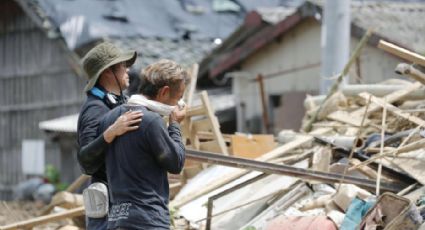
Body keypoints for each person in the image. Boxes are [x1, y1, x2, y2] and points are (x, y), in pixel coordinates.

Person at [99, 59, 189, 229]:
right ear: (164, 92)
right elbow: (176, 163)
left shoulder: (109, 119)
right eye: (178, 98)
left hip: (117, 218)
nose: (178, 104)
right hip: (148, 219)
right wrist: (175, 124)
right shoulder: (150, 121)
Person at [77, 42, 143, 229]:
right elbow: (86, 162)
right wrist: (111, 132)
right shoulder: (94, 109)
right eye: (123, 66)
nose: (127, 70)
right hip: (106, 209)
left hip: (121, 202)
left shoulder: (116, 102)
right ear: (107, 72)